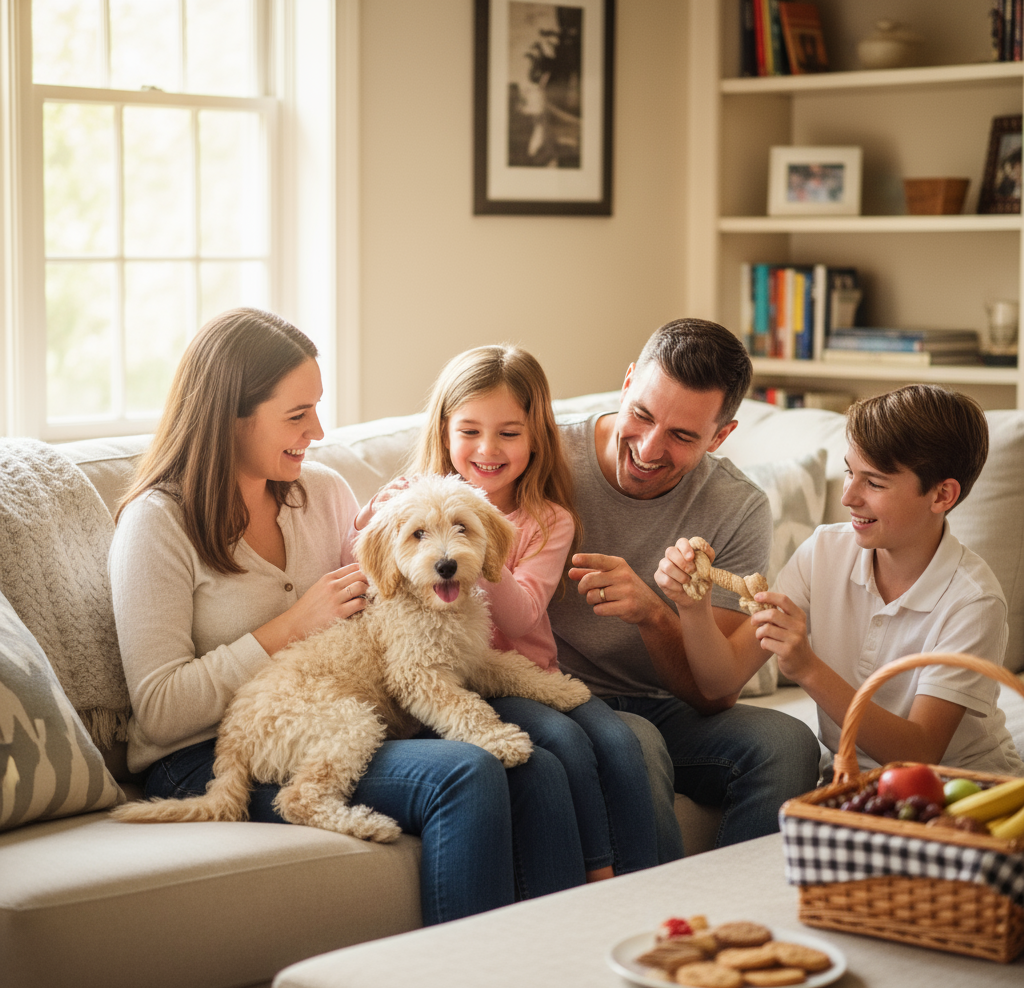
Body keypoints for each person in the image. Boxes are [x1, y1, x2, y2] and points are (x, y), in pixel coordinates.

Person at [108, 307, 589, 927]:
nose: (318, 428)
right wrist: (289, 627)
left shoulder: (324, 492)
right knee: (466, 772)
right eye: (297, 414)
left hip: (334, 706)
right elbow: (160, 707)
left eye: (317, 407)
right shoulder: (156, 524)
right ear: (230, 415)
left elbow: (393, 605)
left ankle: (555, 966)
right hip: (200, 754)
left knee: (539, 769)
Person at [359, 345, 659, 880]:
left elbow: (520, 621)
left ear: (536, 437)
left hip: (526, 674)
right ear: (445, 431)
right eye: (469, 431)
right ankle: (598, 875)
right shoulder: (410, 499)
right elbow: (368, 565)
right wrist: (389, 523)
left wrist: (480, 537)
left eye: (509, 433)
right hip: (460, 682)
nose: (487, 449)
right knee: (562, 742)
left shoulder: (548, 521)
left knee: (618, 738)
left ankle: (648, 883)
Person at [548, 318, 822, 853]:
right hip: (562, 697)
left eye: (681, 435)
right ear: (627, 383)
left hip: (667, 706)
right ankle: (661, 928)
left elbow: (713, 695)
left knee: (788, 743)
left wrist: (655, 614)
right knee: (638, 743)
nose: (649, 449)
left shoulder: (736, 507)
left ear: (721, 436)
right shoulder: (547, 459)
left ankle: (734, 920)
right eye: (641, 415)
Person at [657, 384, 1023, 776]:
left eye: (875, 482)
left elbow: (919, 753)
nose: (848, 496)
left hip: (959, 788)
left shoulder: (973, 602)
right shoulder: (824, 552)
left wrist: (808, 668)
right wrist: (693, 608)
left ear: (942, 495)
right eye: (850, 471)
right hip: (850, 779)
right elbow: (720, 681)